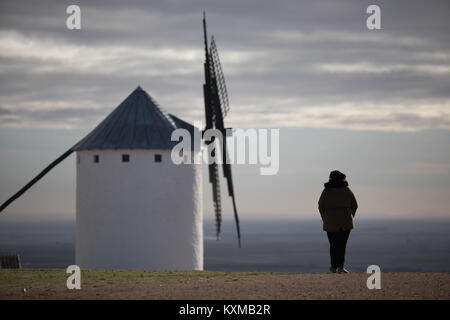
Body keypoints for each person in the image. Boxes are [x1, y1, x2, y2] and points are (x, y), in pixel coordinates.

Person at [318, 170, 358, 274]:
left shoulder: (326, 191)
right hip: (345, 221)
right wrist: (350, 216)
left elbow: (320, 205)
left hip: (330, 221)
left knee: (333, 244)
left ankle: (333, 267)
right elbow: (355, 205)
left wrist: (325, 218)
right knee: (342, 244)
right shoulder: (347, 190)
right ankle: (341, 267)